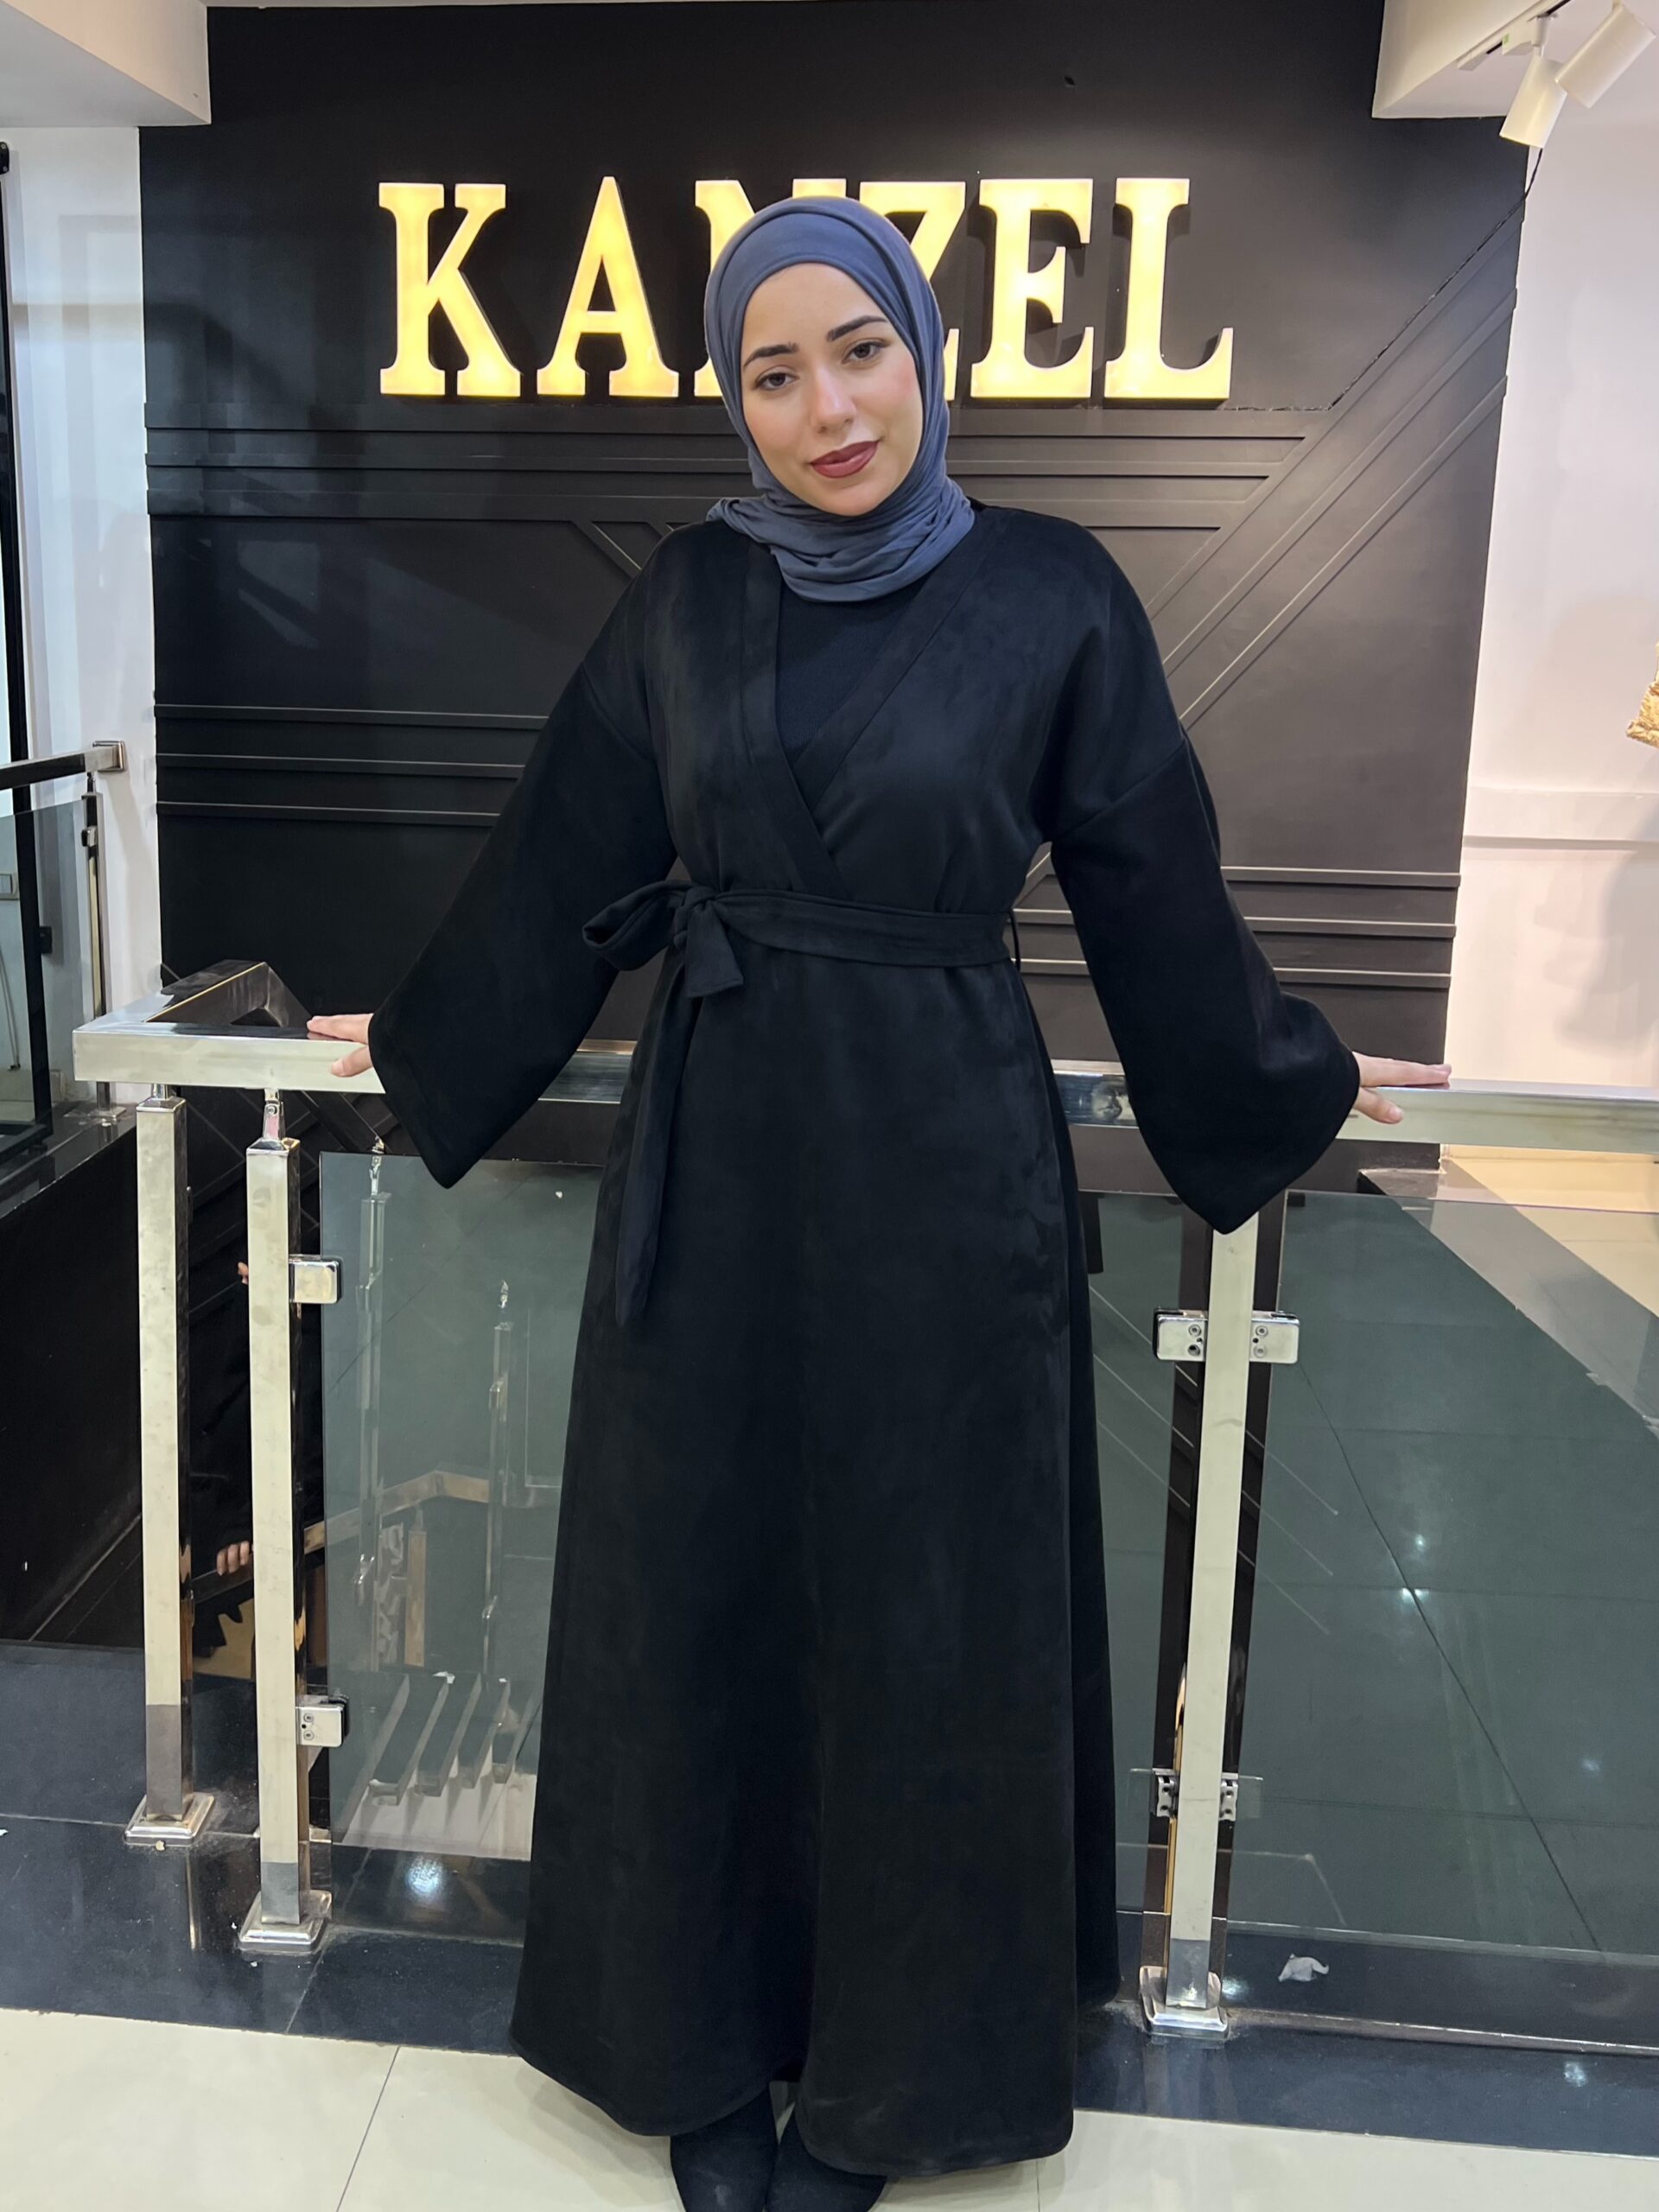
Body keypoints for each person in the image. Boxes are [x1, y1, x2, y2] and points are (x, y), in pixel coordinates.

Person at [310, 199, 1448, 2212]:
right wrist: (421, 1037)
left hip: (944, 1172)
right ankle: (696, 2044)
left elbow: (1154, 884)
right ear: (733, 398)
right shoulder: (686, 595)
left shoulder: (1053, 594)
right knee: (699, 1592)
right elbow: (564, 849)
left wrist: (1299, 1063)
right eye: (774, 371)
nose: (826, 406)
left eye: (860, 352)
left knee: (930, 1619)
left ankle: (888, 2084)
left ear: (929, 355)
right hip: (718, 1164)